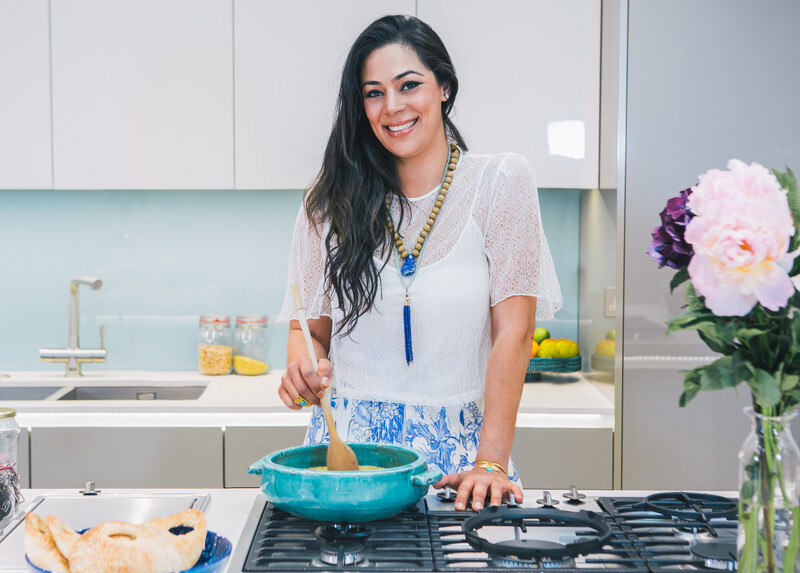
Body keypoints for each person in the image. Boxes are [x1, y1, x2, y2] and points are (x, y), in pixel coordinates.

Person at [277, 14, 562, 511]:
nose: (393, 107)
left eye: (409, 85)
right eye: (373, 92)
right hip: (346, 463)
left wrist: (491, 460)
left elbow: (514, 335)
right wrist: (301, 368)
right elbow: (310, 331)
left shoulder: (501, 183)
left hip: (465, 465)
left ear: (445, 86)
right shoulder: (327, 204)